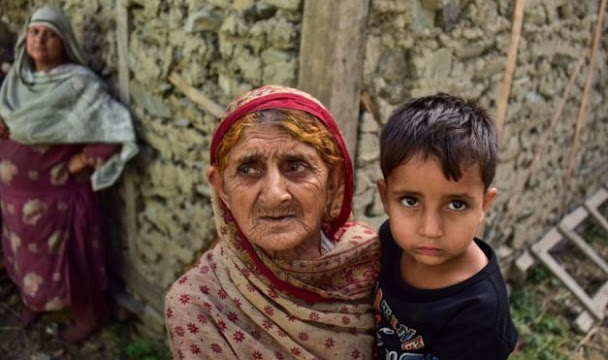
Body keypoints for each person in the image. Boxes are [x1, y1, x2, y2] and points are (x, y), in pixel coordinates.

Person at [165, 85, 381, 359]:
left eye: (296, 166)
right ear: (222, 189)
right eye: (248, 169)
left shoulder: (374, 262)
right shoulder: (199, 303)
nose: (275, 194)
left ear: (332, 182)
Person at [0, 6, 137, 343]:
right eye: (34, 32)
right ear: (24, 39)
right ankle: (37, 300)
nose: (40, 39)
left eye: (50, 34)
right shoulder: (16, 81)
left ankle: (90, 318)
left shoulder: (79, 85)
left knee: (74, 262)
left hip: (59, 202)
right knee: (23, 255)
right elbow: (11, 123)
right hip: (16, 200)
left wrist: (86, 158)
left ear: (64, 42)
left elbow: (115, 126)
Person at [373, 94, 518, 359]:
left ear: (484, 205)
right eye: (410, 200)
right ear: (385, 198)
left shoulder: (481, 315)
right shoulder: (389, 244)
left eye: (456, 205)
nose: (430, 230)